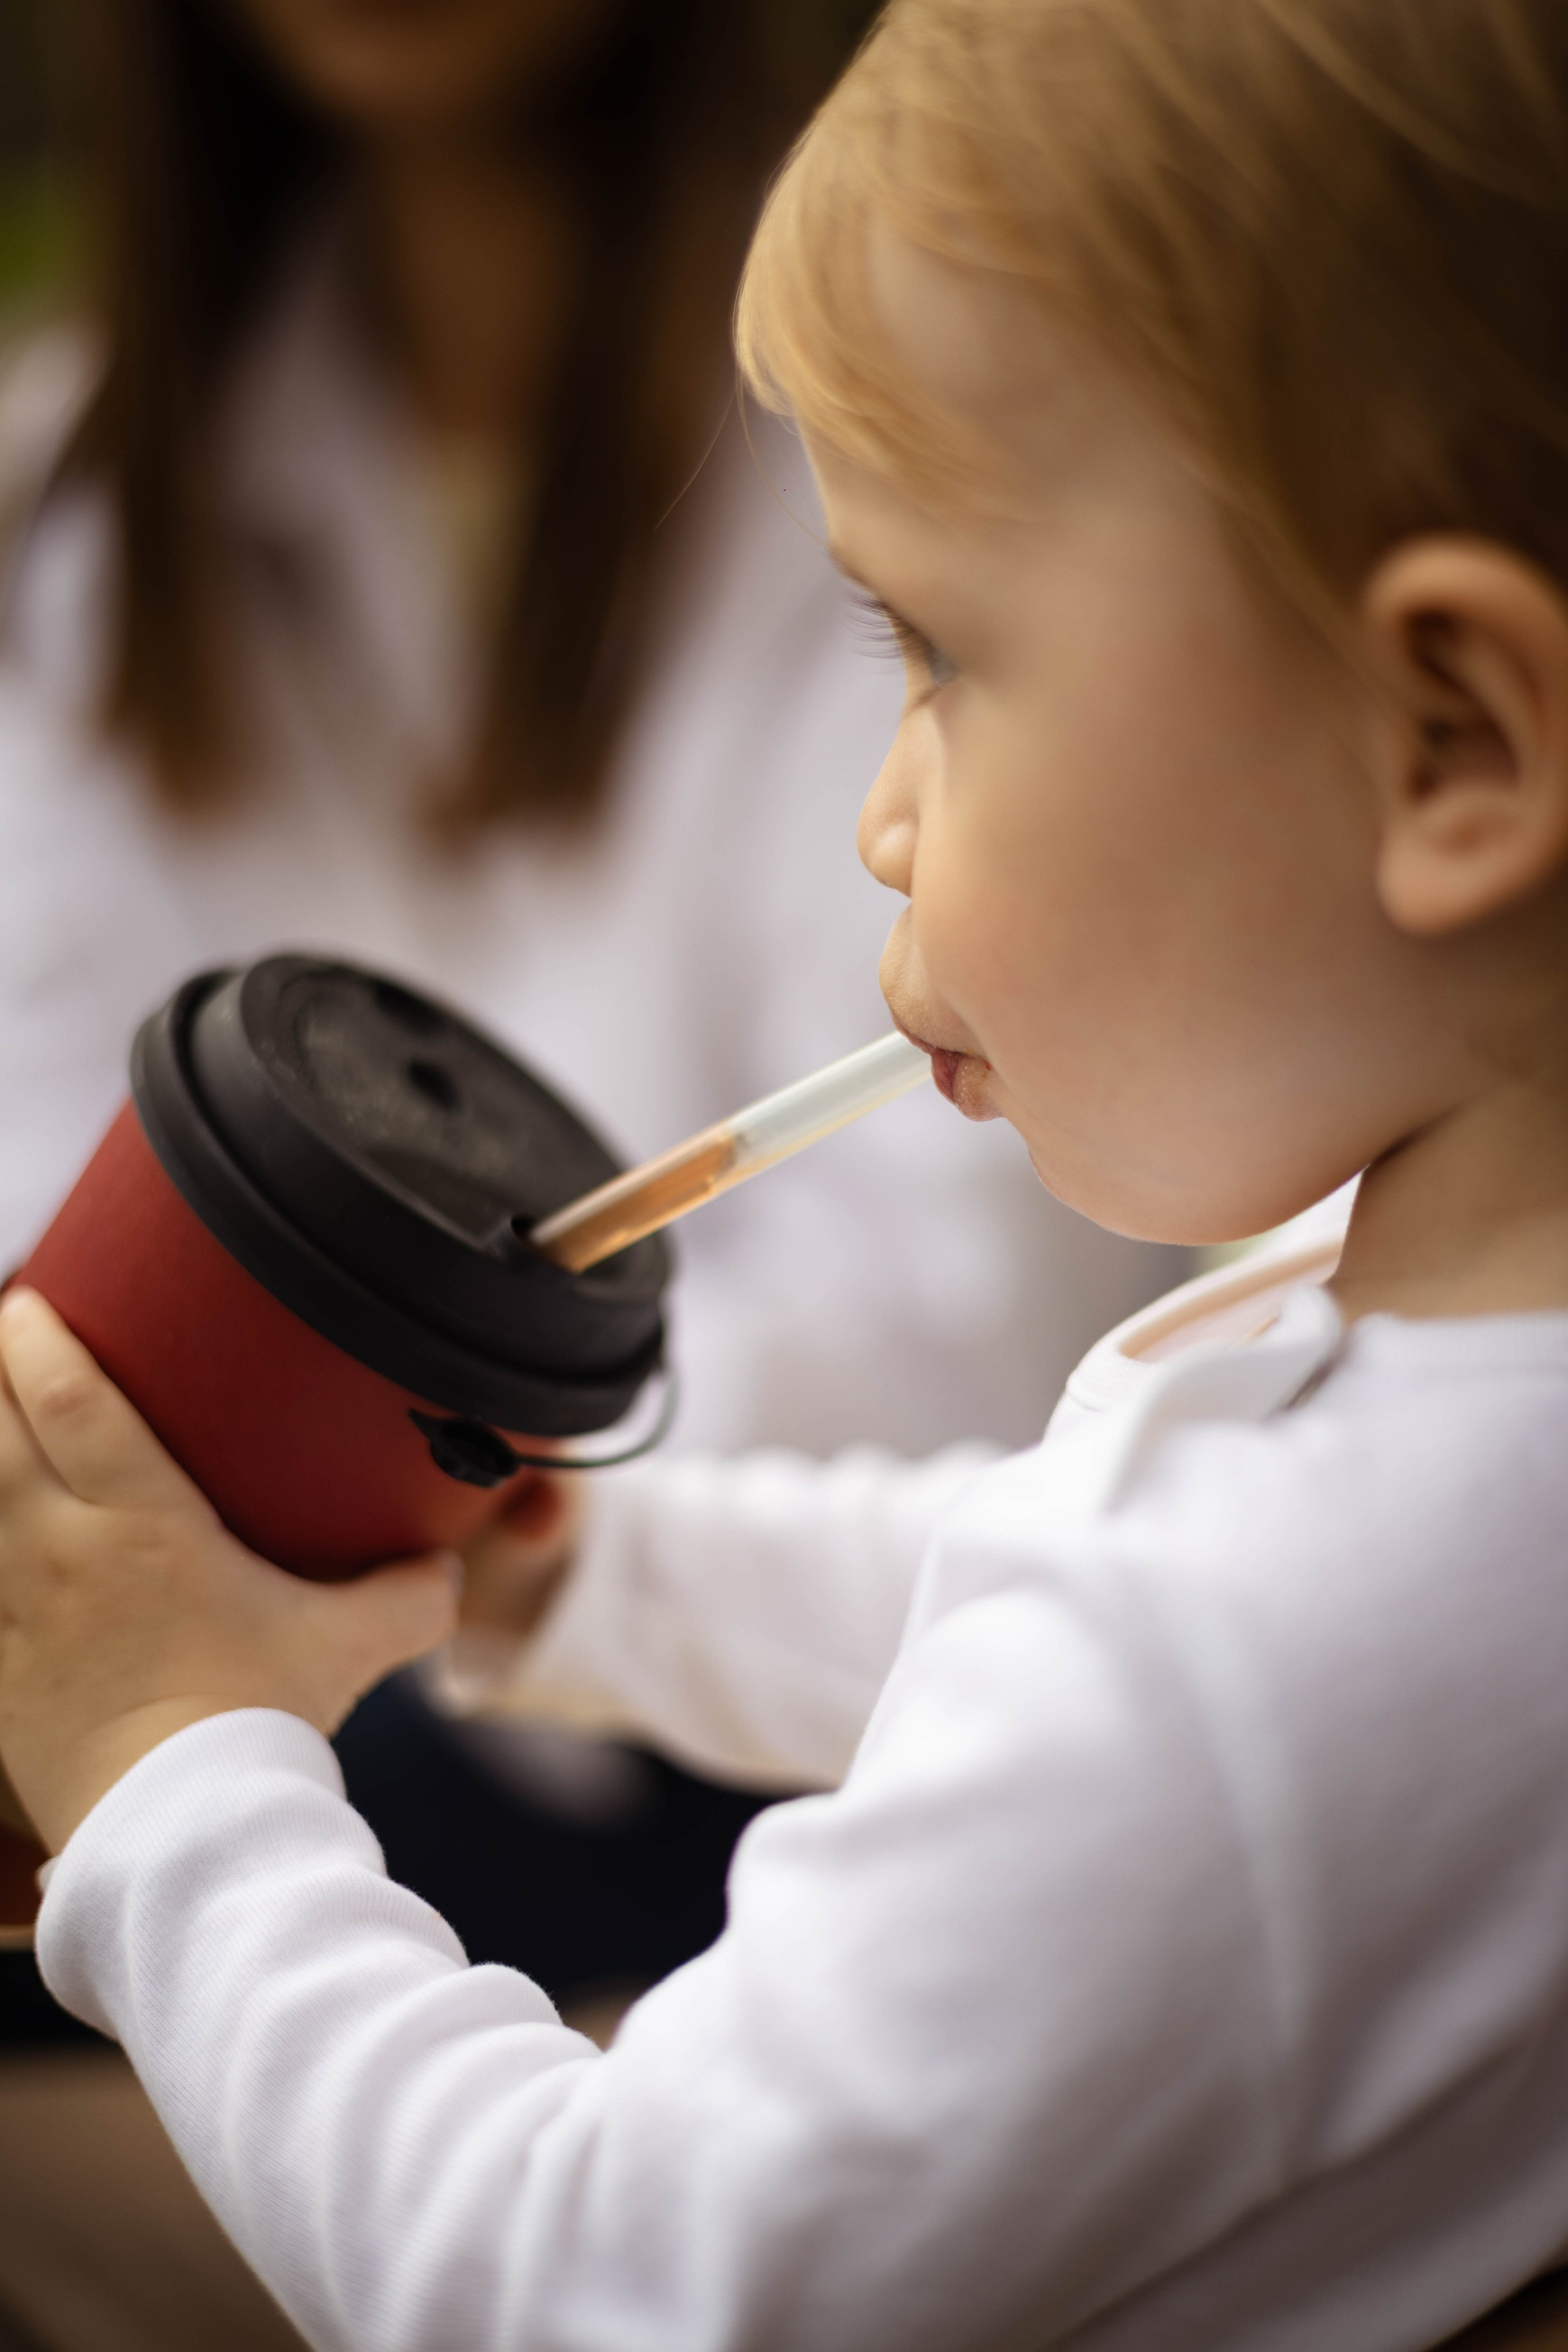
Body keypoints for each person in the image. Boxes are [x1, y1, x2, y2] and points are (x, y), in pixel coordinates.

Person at [11, 0, 1568, 2343]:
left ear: (1452, 740)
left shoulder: (1240, 1673)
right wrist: (571, 1578)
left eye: (937, 654)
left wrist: (164, 1777)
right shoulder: (1440, 1415)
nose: (884, 817)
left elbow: (575, 2278)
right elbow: (1040, 1581)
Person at [0, 0, 1185, 2011]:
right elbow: (54, 1210)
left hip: (724, 1759)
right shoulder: (78, 505)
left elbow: (970, 1330)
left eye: (937, 662)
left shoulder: (949, 424)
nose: (896, 830)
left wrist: (261, 1587)